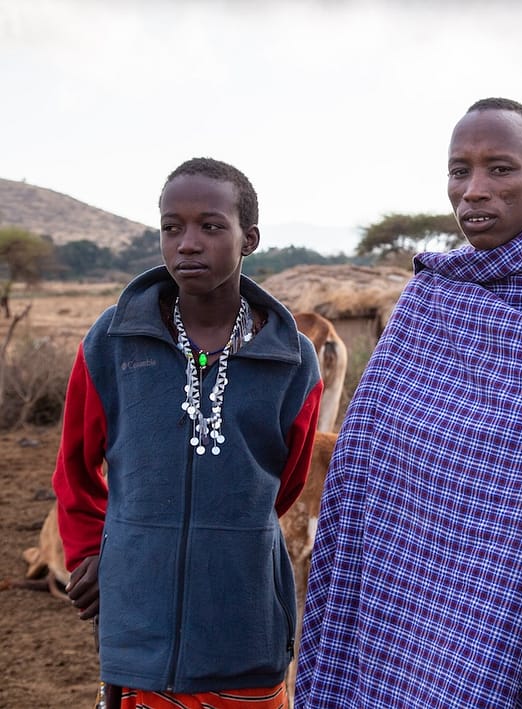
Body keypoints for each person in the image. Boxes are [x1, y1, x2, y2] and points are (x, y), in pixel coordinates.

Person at [295, 97, 522, 707]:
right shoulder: (430, 293)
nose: (474, 190)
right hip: (408, 564)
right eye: (459, 171)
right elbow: (371, 443)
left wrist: (473, 485)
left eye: (500, 169)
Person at [53, 157, 324, 708]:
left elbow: (285, 483)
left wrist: (226, 537)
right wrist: (99, 552)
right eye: (171, 227)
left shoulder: (293, 361)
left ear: (249, 238)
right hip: (138, 620)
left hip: (243, 616)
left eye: (211, 226)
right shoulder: (113, 341)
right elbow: (76, 465)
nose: (188, 243)